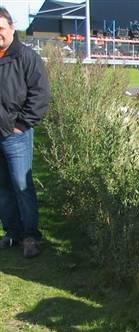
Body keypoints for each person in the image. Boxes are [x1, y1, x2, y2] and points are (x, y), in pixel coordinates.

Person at [0, 7, 50, 258]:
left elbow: (41, 95)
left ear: (11, 27)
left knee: (21, 185)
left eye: (0, 28)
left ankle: (30, 235)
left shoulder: (26, 57)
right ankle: (12, 232)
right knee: (3, 187)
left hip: (15, 133)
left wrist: (22, 125)